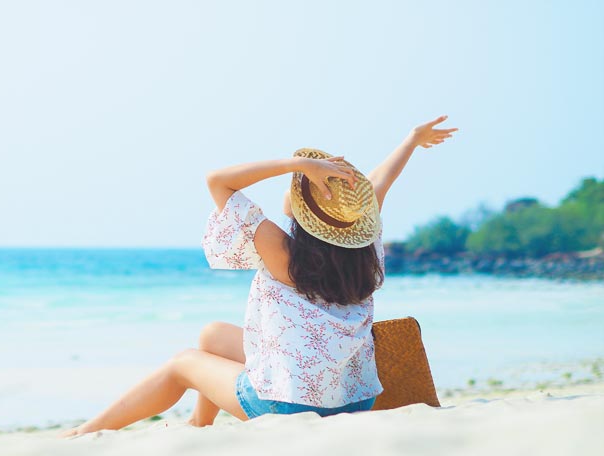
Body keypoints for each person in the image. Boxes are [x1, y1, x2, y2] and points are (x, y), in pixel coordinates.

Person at [58, 115, 457, 438]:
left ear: (305, 213)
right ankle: (201, 424)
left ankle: (85, 433)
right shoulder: (363, 251)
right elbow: (380, 184)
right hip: (353, 402)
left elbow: (218, 180)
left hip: (289, 408)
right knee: (212, 336)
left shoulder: (285, 253)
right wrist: (410, 141)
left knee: (182, 364)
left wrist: (297, 163)